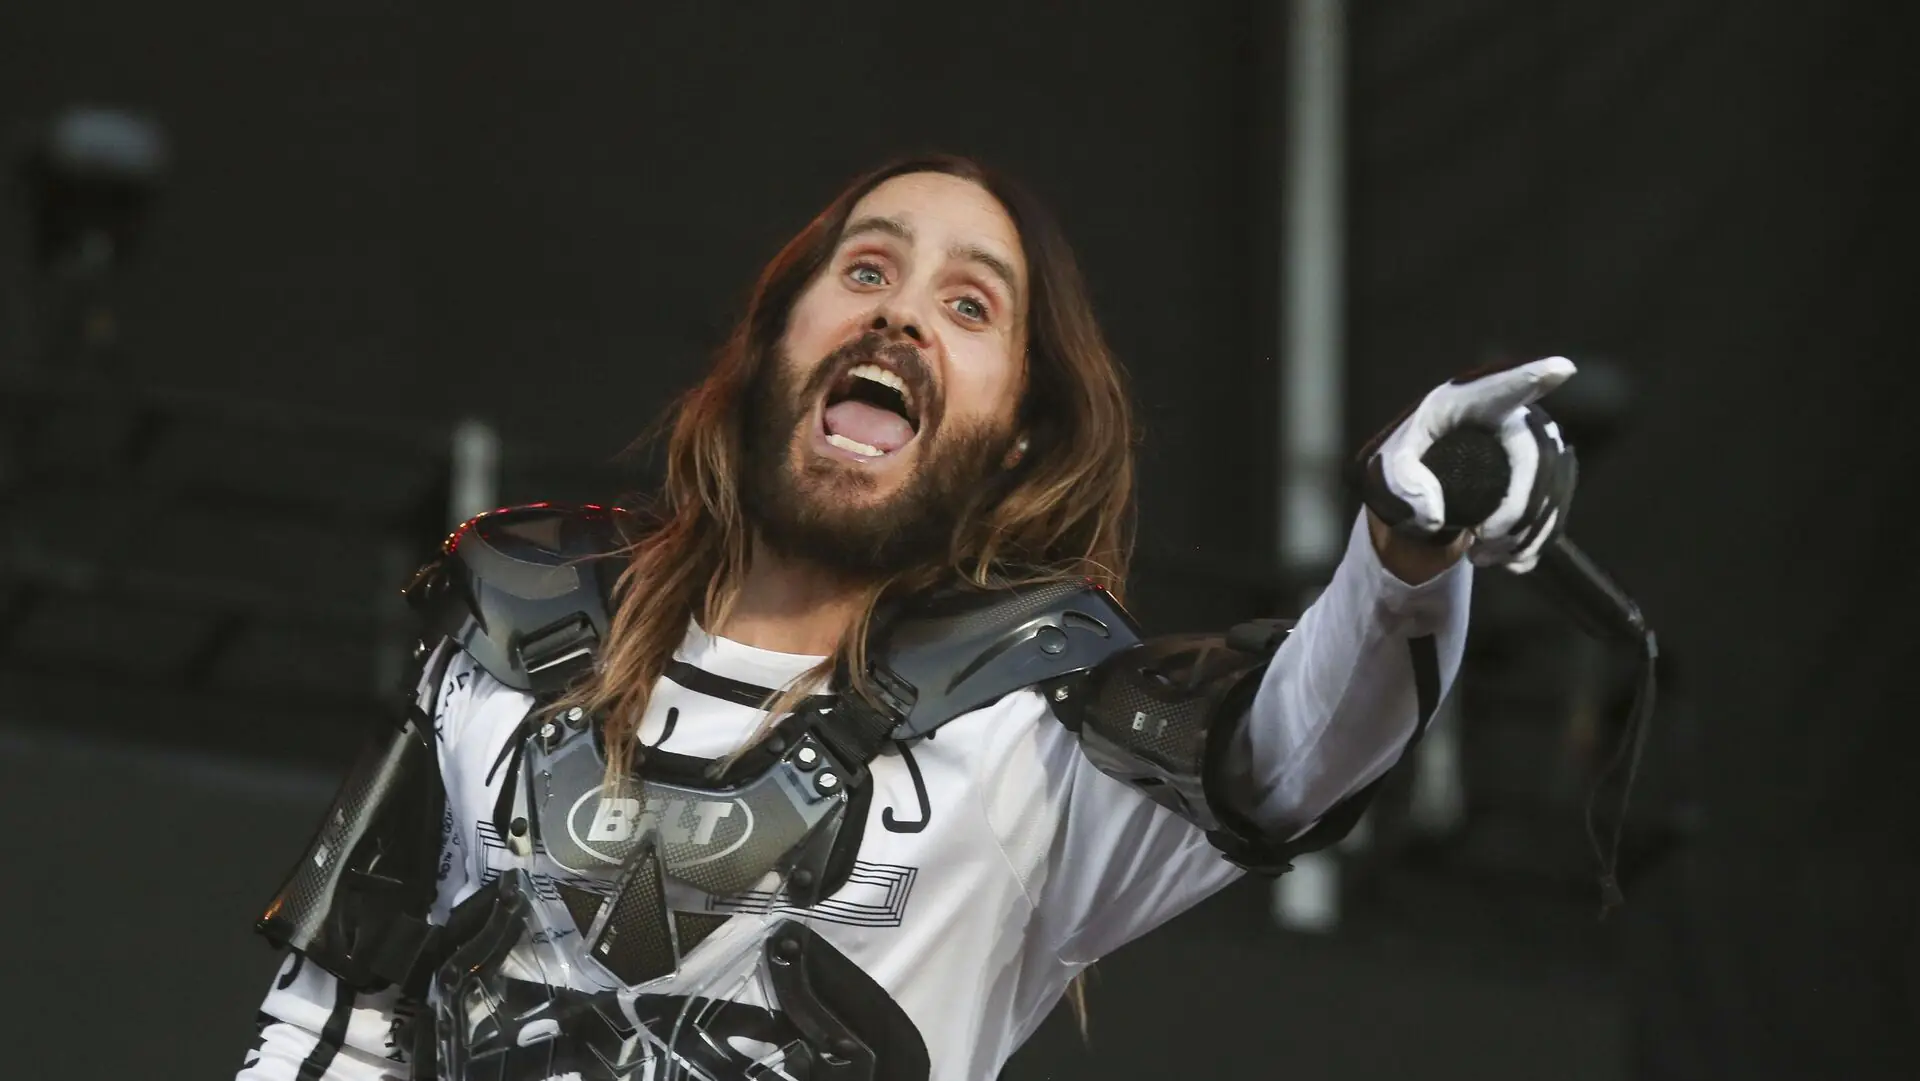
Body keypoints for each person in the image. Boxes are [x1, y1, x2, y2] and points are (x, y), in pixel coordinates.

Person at [238, 155, 1577, 1081]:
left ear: (1018, 433)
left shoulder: (1034, 733)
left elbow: (1298, 753)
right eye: (868, 269)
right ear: (770, 345)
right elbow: (331, 1027)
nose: (904, 316)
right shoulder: (510, 633)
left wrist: (1406, 551)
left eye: (970, 304)